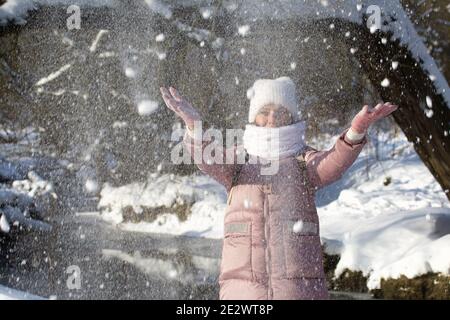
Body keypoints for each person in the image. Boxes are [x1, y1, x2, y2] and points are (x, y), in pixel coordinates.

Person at [160, 76, 398, 300]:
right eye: (264, 112)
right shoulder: (237, 161)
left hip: (299, 291)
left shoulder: (303, 160)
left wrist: (356, 132)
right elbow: (207, 158)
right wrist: (194, 128)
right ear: (254, 117)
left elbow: (333, 163)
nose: (271, 118)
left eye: (280, 112)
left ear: (291, 118)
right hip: (243, 294)